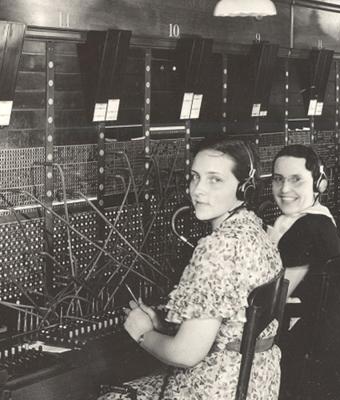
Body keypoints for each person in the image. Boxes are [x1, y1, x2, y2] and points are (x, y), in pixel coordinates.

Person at [100, 137, 283, 399]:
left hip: (215, 388)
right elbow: (231, 327)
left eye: (215, 180)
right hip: (257, 384)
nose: (197, 190)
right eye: (195, 177)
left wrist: (142, 333)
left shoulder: (218, 248)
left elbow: (185, 355)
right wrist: (162, 325)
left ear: (244, 188)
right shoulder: (256, 230)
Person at [267, 145, 340, 400]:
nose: (284, 189)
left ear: (319, 184)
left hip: (308, 356)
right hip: (325, 345)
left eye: (296, 180)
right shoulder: (318, 218)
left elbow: (274, 298)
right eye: (278, 179)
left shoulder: (308, 228)